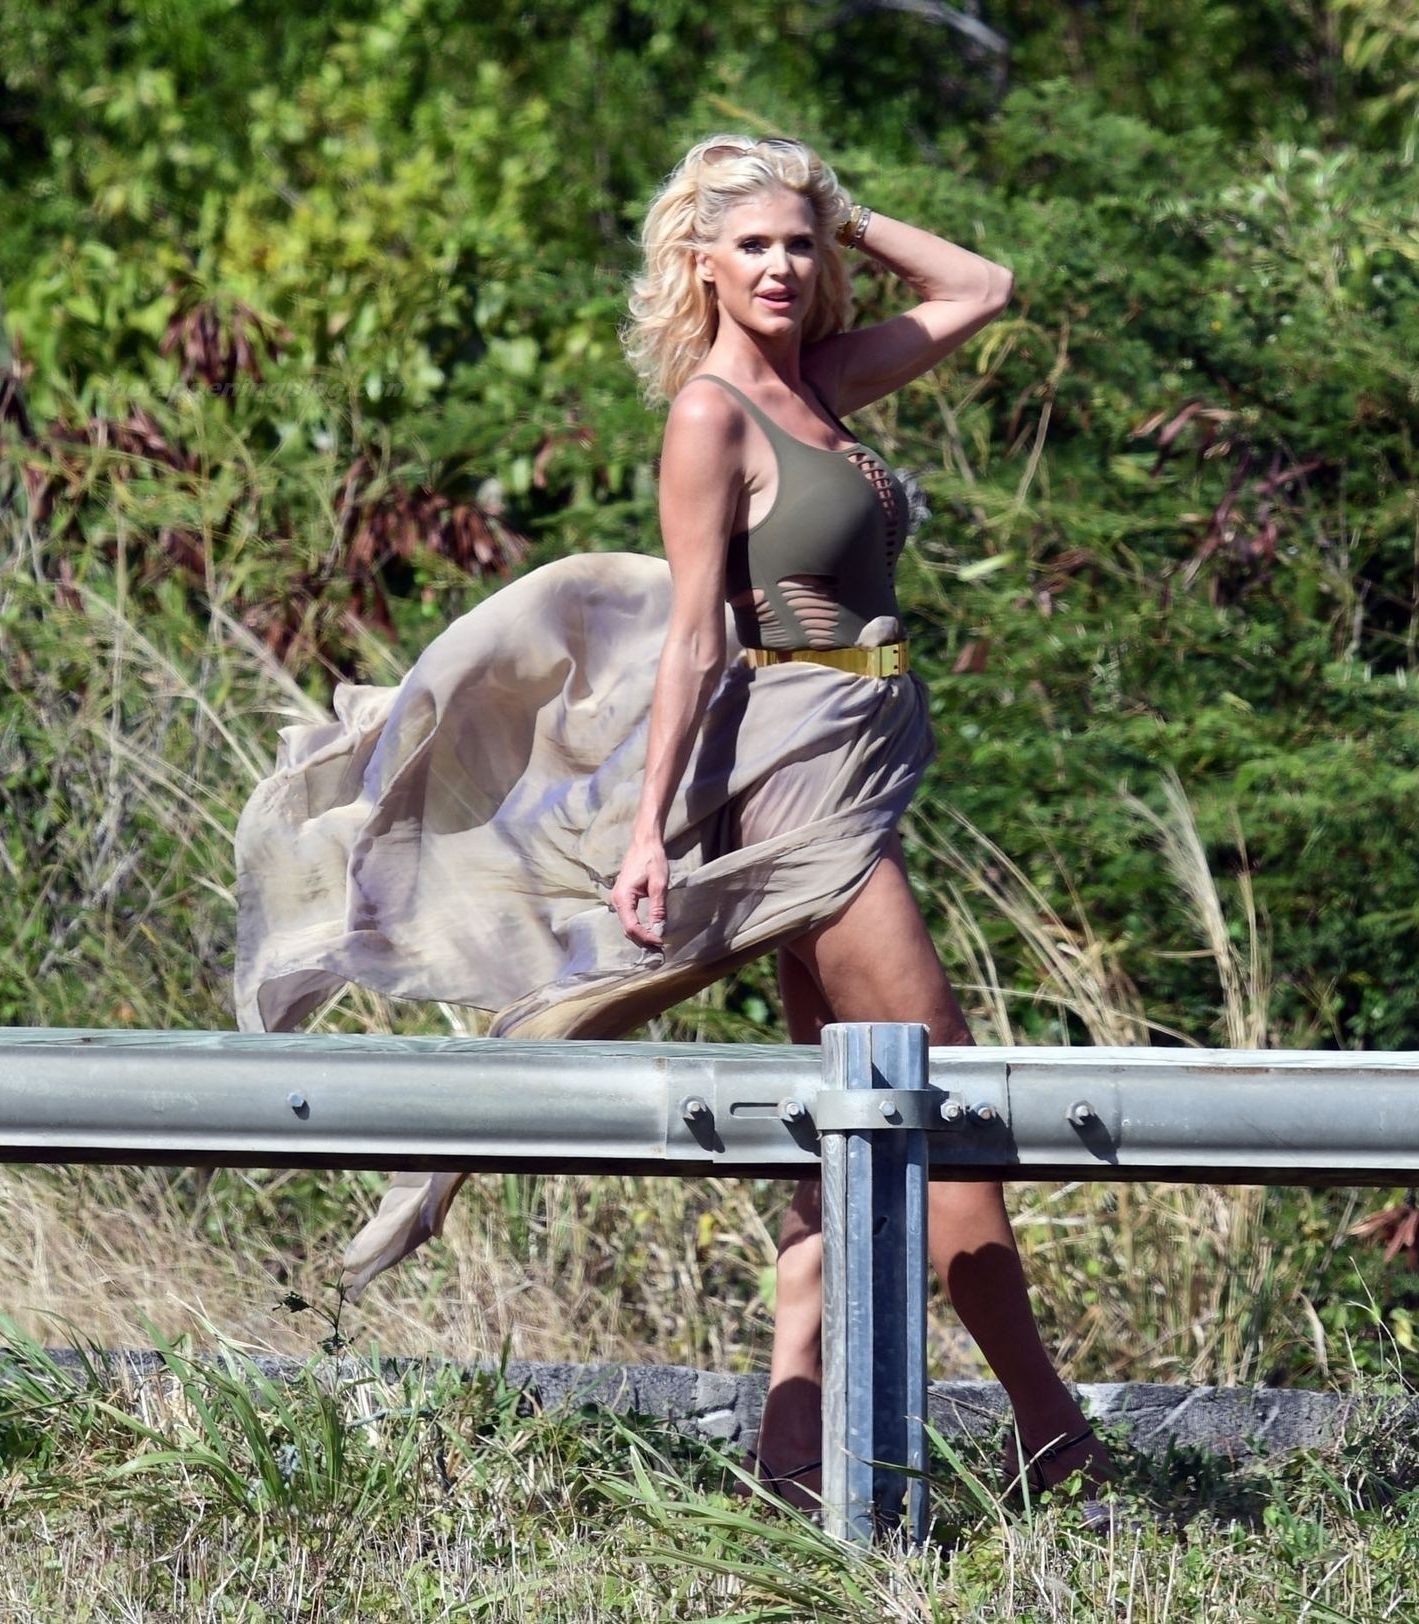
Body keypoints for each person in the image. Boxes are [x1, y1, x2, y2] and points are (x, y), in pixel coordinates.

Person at [230, 132, 1113, 1512]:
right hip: (798, 786)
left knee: (847, 1124)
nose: (782, 266)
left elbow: (982, 287)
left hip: (856, 753)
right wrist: (647, 836)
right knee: (933, 1095)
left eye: (799, 245)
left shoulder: (823, 383)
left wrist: (843, 206)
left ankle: (789, 1451)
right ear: (700, 263)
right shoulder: (712, 418)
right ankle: (1050, 1430)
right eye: (752, 244)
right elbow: (699, 637)